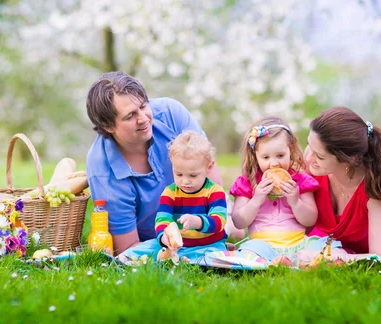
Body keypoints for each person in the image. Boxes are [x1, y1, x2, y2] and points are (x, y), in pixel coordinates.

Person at [86, 71, 239, 255]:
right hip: (154, 238)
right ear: (108, 126)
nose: (143, 118)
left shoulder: (170, 114)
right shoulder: (103, 169)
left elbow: (213, 185)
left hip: (202, 219)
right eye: (130, 116)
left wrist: (205, 239)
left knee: (236, 230)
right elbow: (128, 247)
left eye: (143, 106)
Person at [298, 106, 381, 265]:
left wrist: (328, 257)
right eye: (309, 145)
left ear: (349, 160)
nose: (307, 158)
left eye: (319, 156)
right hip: (338, 244)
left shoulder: (375, 186)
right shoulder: (315, 168)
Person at [230, 117, 337, 264]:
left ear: (290, 150)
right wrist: (256, 199)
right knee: (250, 250)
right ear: (255, 155)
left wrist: (295, 201)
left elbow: (310, 220)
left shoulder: (300, 180)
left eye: (280, 155)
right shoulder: (247, 182)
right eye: (266, 157)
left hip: (298, 244)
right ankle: (280, 261)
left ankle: (298, 259)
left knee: (330, 246)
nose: (274, 163)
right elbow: (239, 222)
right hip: (262, 245)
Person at [119, 131, 227, 262]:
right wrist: (164, 237)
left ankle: (192, 260)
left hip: (208, 244)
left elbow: (219, 222)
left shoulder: (214, 192)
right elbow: (162, 219)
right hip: (176, 247)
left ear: (209, 167)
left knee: (215, 254)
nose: (185, 181)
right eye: (179, 174)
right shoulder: (170, 193)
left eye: (193, 175)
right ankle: (125, 257)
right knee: (148, 245)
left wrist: (197, 222)